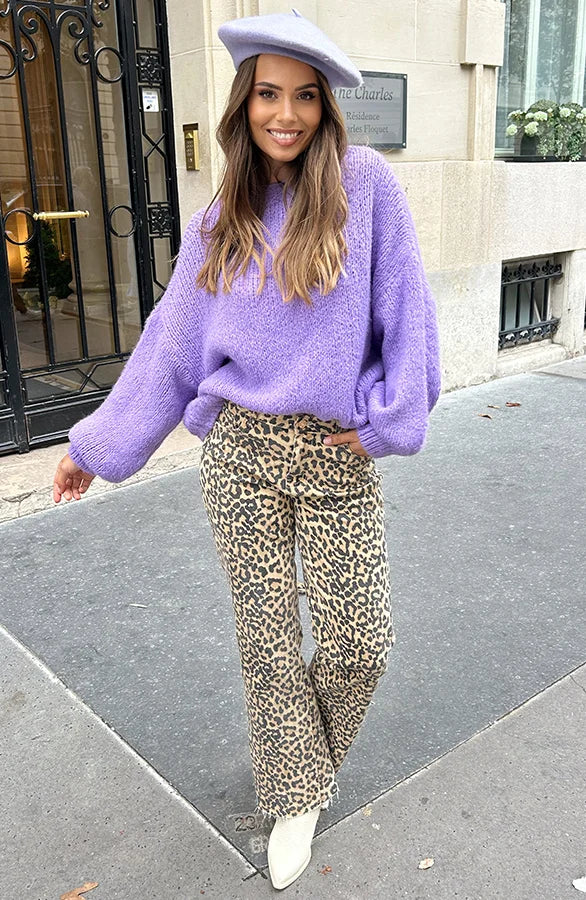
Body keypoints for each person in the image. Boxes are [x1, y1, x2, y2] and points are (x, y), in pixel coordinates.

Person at [53, 7, 442, 891]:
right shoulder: (218, 218)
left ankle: (303, 766)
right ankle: (294, 793)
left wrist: (388, 423)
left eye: (304, 96)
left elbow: (408, 313)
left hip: (336, 452)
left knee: (361, 642)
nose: (285, 114)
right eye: (268, 93)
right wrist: (96, 447)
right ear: (244, 103)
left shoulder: (366, 186)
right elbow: (170, 347)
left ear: (326, 105)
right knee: (268, 642)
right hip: (241, 455)